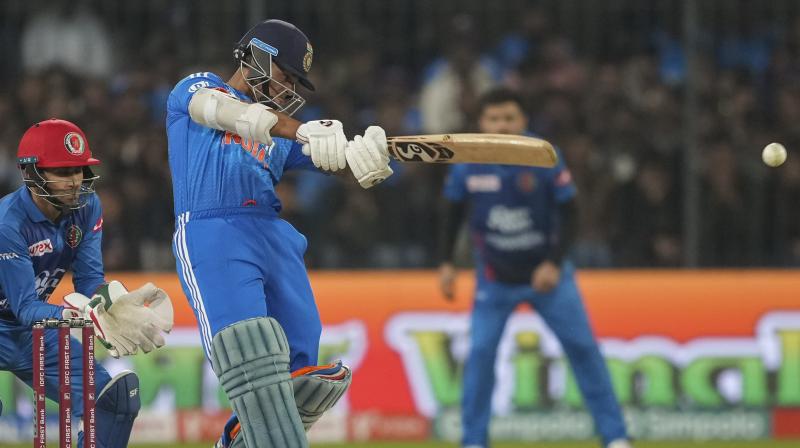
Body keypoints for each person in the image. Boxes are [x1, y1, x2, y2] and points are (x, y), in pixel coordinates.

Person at [165, 19, 393, 448]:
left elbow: (335, 162)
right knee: (248, 352)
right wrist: (299, 128)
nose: (289, 87)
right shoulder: (196, 88)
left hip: (272, 234)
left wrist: (364, 158)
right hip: (213, 229)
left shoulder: (280, 131)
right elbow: (220, 111)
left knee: (301, 371)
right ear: (255, 56)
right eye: (285, 74)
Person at [438, 89, 632, 448]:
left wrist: (553, 264)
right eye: (494, 119)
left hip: (548, 278)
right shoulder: (466, 161)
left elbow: (571, 213)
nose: (501, 125)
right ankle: (473, 442)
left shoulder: (543, 156)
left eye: (509, 118)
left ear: (522, 121)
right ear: (481, 124)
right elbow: (453, 213)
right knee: (480, 356)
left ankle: (616, 437)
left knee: (584, 350)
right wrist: (447, 263)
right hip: (494, 281)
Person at [0, 118, 173, 447]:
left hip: (27, 335)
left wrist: (113, 303)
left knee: (113, 403)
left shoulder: (88, 207)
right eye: (63, 172)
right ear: (32, 174)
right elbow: (24, 308)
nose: (76, 181)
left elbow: (90, 280)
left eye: (80, 169)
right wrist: (81, 317)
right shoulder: (8, 223)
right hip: (22, 320)